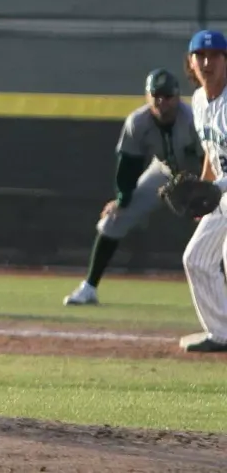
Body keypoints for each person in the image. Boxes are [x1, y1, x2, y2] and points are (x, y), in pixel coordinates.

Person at [63, 68, 203, 306]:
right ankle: (89, 288)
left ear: (177, 97)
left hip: (201, 175)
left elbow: (209, 158)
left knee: (218, 229)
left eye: (167, 96)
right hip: (165, 171)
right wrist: (122, 197)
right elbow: (129, 163)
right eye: (156, 95)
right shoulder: (138, 122)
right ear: (146, 96)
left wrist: (202, 196)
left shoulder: (192, 119)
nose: (161, 101)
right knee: (114, 218)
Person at [178, 29, 227, 352]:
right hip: (221, 193)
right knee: (197, 258)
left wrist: (214, 188)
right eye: (200, 56)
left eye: (215, 56)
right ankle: (221, 333)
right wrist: (203, 188)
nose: (207, 62)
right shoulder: (198, 101)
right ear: (190, 63)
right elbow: (211, 149)